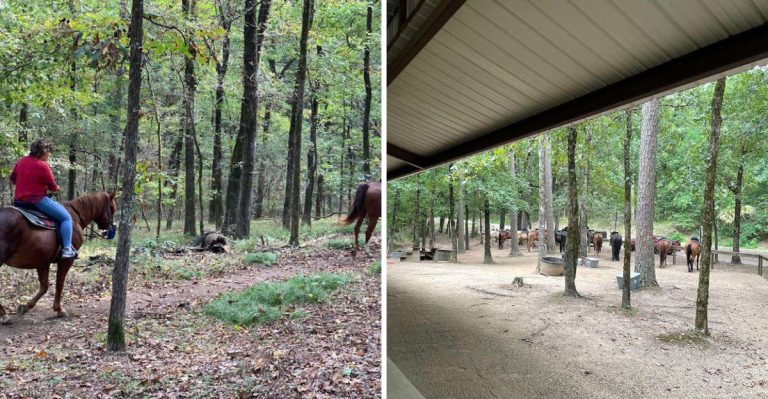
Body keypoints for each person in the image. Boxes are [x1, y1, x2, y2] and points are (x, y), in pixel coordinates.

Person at [9, 139, 77, 259]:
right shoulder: (42, 166)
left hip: (19, 202)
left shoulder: (21, 161)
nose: (49, 154)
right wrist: (56, 187)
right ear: (43, 152)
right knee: (66, 218)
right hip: (36, 201)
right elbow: (52, 186)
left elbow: (13, 179)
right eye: (48, 152)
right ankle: (67, 249)